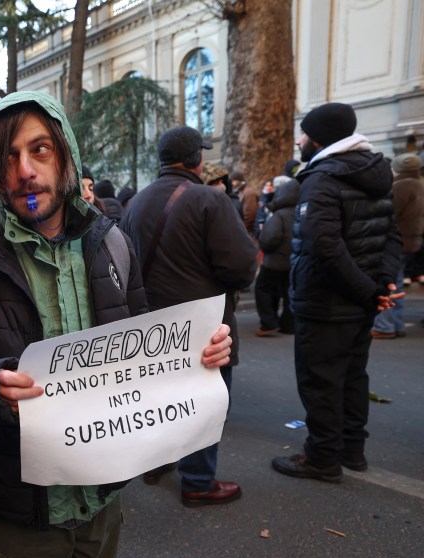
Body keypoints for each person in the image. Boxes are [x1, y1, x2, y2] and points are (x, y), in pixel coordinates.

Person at [0, 92, 233, 558]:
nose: (25, 171)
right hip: (19, 504)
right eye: (9, 157)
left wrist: (195, 358)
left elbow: (142, 343)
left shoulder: (111, 244)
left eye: (39, 150)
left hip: (101, 496)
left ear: (65, 154)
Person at [121, 125, 257, 506]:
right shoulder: (209, 201)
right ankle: (197, 480)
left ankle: (156, 462)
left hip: (151, 325)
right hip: (202, 326)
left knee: (161, 400)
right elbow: (242, 267)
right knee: (203, 403)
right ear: (196, 159)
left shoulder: (136, 202)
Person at [272, 102, 402, 482]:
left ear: (318, 139)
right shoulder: (375, 172)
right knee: (352, 376)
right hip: (359, 301)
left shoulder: (322, 178)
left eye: (303, 134)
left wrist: (371, 290)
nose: (298, 141)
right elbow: (391, 235)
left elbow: (323, 244)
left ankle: (322, 458)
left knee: (322, 382)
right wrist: (381, 285)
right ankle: (351, 450)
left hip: (327, 303)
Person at [370, 153, 424, 338]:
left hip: (397, 239)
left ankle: (385, 326)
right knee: (397, 283)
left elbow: (389, 212)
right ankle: (397, 325)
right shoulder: (419, 184)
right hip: (413, 239)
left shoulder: (401, 186)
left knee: (388, 282)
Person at [255, 176, 299, 336]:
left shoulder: (279, 215)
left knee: (262, 288)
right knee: (288, 292)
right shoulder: (302, 211)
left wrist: (263, 245)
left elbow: (269, 239)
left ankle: (268, 323)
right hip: (293, 260)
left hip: (275, 260)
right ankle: (289, 325)